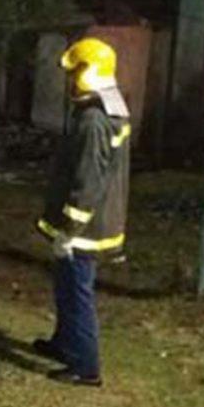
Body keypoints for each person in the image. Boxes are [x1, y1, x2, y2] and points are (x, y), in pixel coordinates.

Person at [33, 37, 131, 387]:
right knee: (66, 287)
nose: (70, 80)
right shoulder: (108, 108)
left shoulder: (93, 120)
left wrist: (68, 230)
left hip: (85, 229)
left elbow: (87, 181)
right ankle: (65, 344)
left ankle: (86, 367)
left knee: (77, 294)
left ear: (88, 72)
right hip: (91, 222)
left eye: (74, 72)